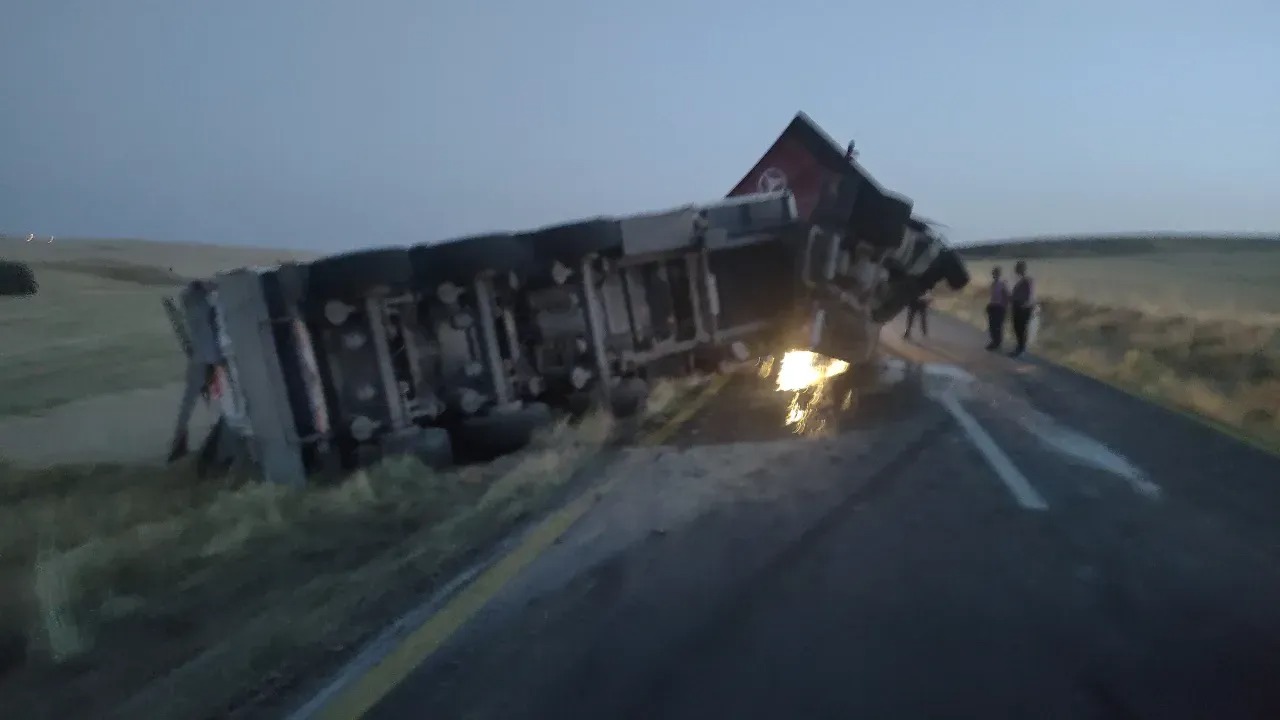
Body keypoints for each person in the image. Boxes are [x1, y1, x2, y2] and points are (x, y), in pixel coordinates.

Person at [1009, 260, 1035, 357]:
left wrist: (1024, 305)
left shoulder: (1027, 280)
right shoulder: (1019, 281)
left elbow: (1029, 294)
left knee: (1021, 328)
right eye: (1016, 268)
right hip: (1017, 306)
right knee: (1017, 328)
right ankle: (1019, 347)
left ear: (1022, 269)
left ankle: (1022, 348)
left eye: (1018, 268)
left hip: (1023, 307)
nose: (1016, 270)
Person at [986, 265, 1009, 351]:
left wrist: (1005, 307)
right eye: (994, 273)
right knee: (992, 326)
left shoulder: (1002, 284)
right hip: (992, 306)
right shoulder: (993, 284)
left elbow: (1007, 296)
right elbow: (993, 297)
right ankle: (994, 342)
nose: (994, 275)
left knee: (998, 326)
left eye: (996, 273)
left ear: (999, 274)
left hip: (1000, 307)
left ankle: (997, 343)